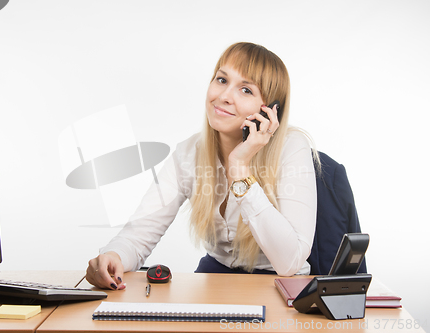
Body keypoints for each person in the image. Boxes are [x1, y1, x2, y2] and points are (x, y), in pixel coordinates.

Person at [86, 42, 318, 290]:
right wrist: (113, 256)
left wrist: (239, 167)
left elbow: (290, 263)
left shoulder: (292, 147)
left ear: (271, 111)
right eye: (221, 80)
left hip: (280, 286)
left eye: (246, 90)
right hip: (216, 282)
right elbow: (139, 233)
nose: (224, 96)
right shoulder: (188, 153)